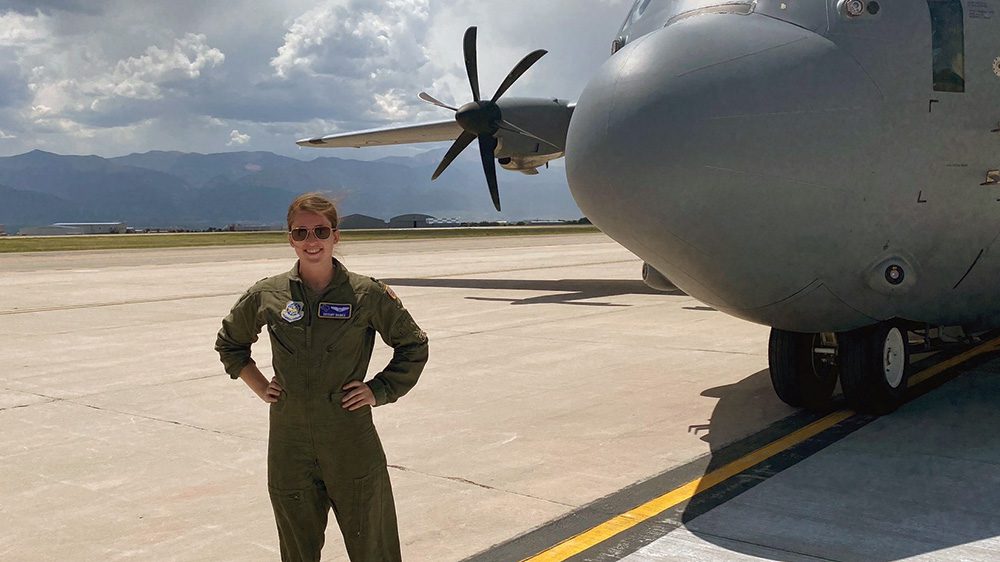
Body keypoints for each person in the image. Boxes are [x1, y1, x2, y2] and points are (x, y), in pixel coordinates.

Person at [215, 192, 428, 561]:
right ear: (290, 238)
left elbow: (413, 346)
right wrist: (262, 386)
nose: (311, 241)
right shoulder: (269, 294)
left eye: (320, 231)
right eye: (301, 232)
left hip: (349, 439)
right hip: (289, 442)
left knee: (373, 547)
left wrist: (379, 390)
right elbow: (230, 344)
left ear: (336, 236)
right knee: (297, 550)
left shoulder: (367, 294)